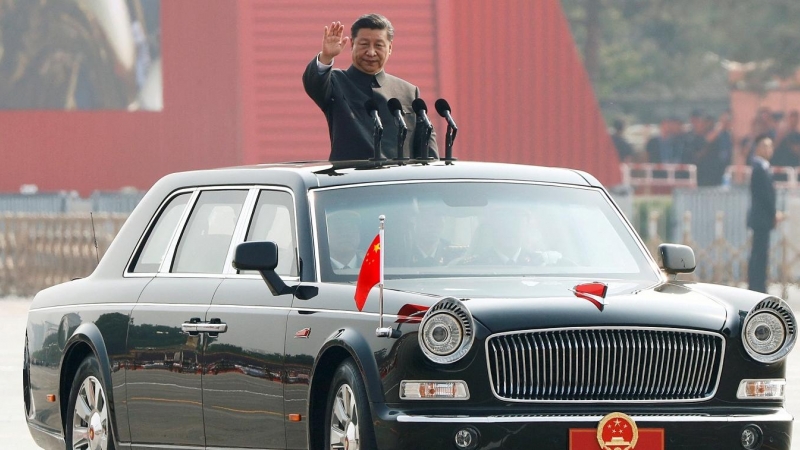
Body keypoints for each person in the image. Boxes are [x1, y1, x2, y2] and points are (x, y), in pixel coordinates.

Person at [303, 14, 438, 161]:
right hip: (351, 180)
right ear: (352, 44)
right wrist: (326, 57)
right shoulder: (336, 82)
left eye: (379, 45)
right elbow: (314, 83)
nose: (371, 52)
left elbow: (426, 145)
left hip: (399, 180)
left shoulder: (408, 92)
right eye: (364, 44)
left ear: (390, 48)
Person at [747, 135, 778, 293]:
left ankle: (758, 284)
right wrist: (773, 213)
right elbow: (764, 196)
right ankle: (757, 286)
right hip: (761, 218)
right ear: (758, 148)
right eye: (765, 146)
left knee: (761, 253)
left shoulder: (764, 167)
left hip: (762, 218)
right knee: (759, 254)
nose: (769, 149)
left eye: (770, 146)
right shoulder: (759, 168)